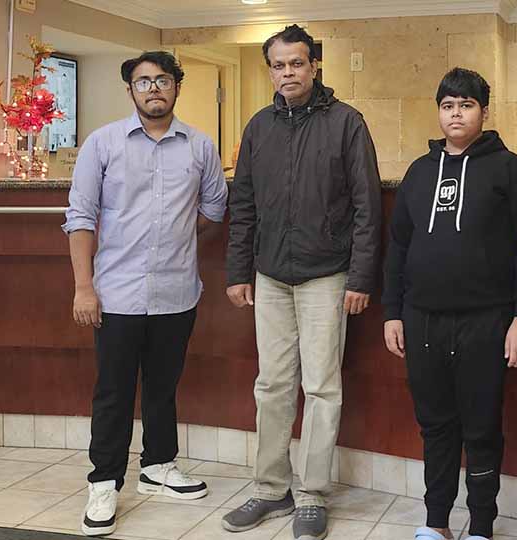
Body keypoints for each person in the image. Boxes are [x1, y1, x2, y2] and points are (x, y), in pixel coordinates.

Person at [221, 24, 381, 540]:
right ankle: (271, 489)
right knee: (271, 385)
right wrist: (238, 270)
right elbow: (243, 205)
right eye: (278, 65)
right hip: (270, 275)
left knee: (321, 387)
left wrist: (360, 276)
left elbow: (367, 207)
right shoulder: (258, 127)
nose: (287, 72)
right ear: (270, 71)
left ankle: (311, 494)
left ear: (314, 66)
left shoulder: (346, 123)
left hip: (326, 275)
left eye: (297, 63)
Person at [63, 50, 228, 537]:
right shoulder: (103, 143)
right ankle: (104, 482)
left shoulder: (199, 146)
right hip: (116, 293)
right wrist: (83, 288)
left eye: (163, 80)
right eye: (143, 81)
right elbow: (81, 217)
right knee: (113, 392)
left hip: (177, 291)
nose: (154, 88)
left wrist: (176, 238)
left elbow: (214, 209)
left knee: (162, 386)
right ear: (130, 90)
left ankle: (158, 466)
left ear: (176, 86)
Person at [382, 67, 517, 540]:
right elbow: (398, 247)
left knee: (481, 428)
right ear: (439, 111)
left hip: (486, 321)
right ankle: (436, 523)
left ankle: (481, 527)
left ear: (483, 112)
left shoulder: (510, 170)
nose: (456, 114)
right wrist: (392, 312)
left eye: (466, 105)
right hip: (422, 320)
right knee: (435, 426)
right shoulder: (419, 171)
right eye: (448, 105)